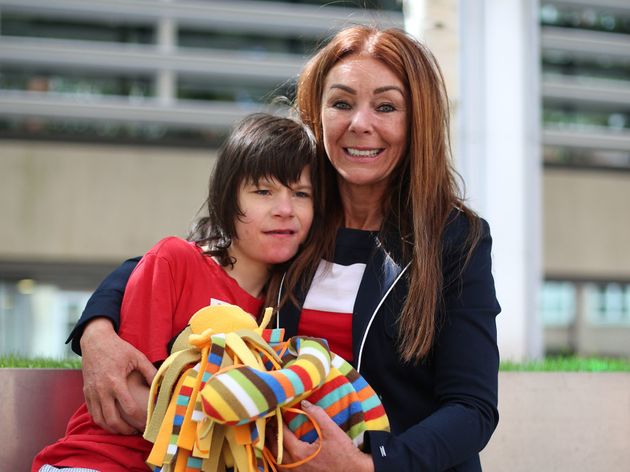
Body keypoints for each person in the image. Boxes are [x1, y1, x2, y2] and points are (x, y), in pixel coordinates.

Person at [64, 25, 501, 472]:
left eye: (386, 106)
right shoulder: (295, 217)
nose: (360, 123)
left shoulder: (454, 239)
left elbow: (472, 408)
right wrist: (96, 330)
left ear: (417, 122)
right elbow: (184, 260)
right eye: (342, 103)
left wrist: (367, 466)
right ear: (318, 112)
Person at [32, 113, 319, 472]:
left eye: (301, 194)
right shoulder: (175, 261)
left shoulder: (284, 311)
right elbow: (131, 400)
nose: (284, 210)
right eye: (263, 191)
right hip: (101, 463)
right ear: (228, 199)